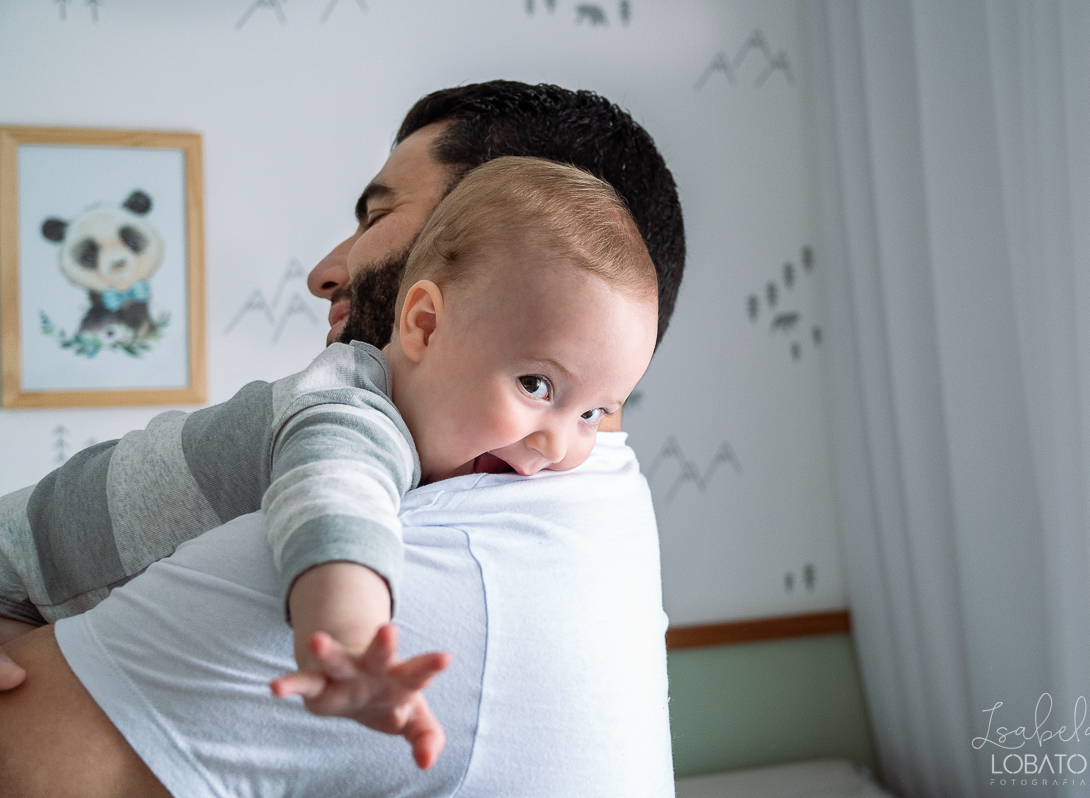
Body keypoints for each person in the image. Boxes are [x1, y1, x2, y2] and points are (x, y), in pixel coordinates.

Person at [0, 81, 685, 796]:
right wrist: (352, 646)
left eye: (594, 412)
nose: (557, 448)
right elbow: (335, 498)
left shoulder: (461, 544)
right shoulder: (357, 412)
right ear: (425, 322)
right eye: (536, 386)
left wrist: (354, 652)